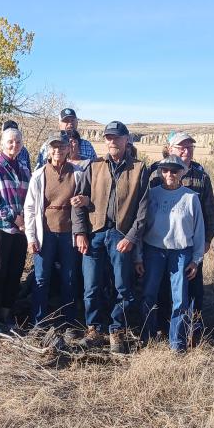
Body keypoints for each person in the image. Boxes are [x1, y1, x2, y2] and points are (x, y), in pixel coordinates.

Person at [72, 121, 150, 354]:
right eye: (108, 138)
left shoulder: (138, 169)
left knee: (122, 287)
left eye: (117, 138)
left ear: (127, 140)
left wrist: (132, 237)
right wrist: (80, 232)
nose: (112, 142)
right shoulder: (94, 166)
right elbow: (78, 200)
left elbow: (143, 210)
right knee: (91, 285)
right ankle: (94, 328)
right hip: (94, 232)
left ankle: (117, 330)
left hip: (121, 235)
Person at [153, 131, 214, 345]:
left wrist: (207, 239)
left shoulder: (201, 175)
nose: (186, 150)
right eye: (181, 147)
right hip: (160, 244)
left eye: (189, 146)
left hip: (189, 244)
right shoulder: (156, 172)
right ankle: (162, 328)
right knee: (162, 289)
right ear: (170, 149)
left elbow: (209, 211)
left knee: (193, 289)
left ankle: (192, 330)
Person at [135, 155, 204, 352]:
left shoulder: (191, 198)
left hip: (181, 253)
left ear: (182, 172)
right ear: (160, 172)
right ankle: (147, 336)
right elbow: (141, 227)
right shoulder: (152, 194)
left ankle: (177, 343)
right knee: (149, 294)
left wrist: (197, 259)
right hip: (153, 250)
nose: (169, 174)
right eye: (165, 170)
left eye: (174, 170)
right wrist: (138, 256)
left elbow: (199, 231)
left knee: (180, 298)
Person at [24, 132, 86, 332]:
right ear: (48, 151)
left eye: (62, 147)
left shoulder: (77, 173)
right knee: (42, 277)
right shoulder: (39, 175)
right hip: (46, 232)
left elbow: (84, 201)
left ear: (69, 149)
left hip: (69, 233)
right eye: (54, 147)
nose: (58, 150)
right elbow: (30, 208)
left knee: (69, 277)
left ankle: (69, 322)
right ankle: (38, 322)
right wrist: (31, 237)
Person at [0, 128, 31, 333]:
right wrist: (13, 217)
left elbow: (30, 200)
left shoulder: (25, 169)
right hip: (0, 228)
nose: (14, 146)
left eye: (18, 142)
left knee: (14, 273)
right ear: (1, 144)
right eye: (10, 142)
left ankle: (5, 313)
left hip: (21, 230)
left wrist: (26, 220)